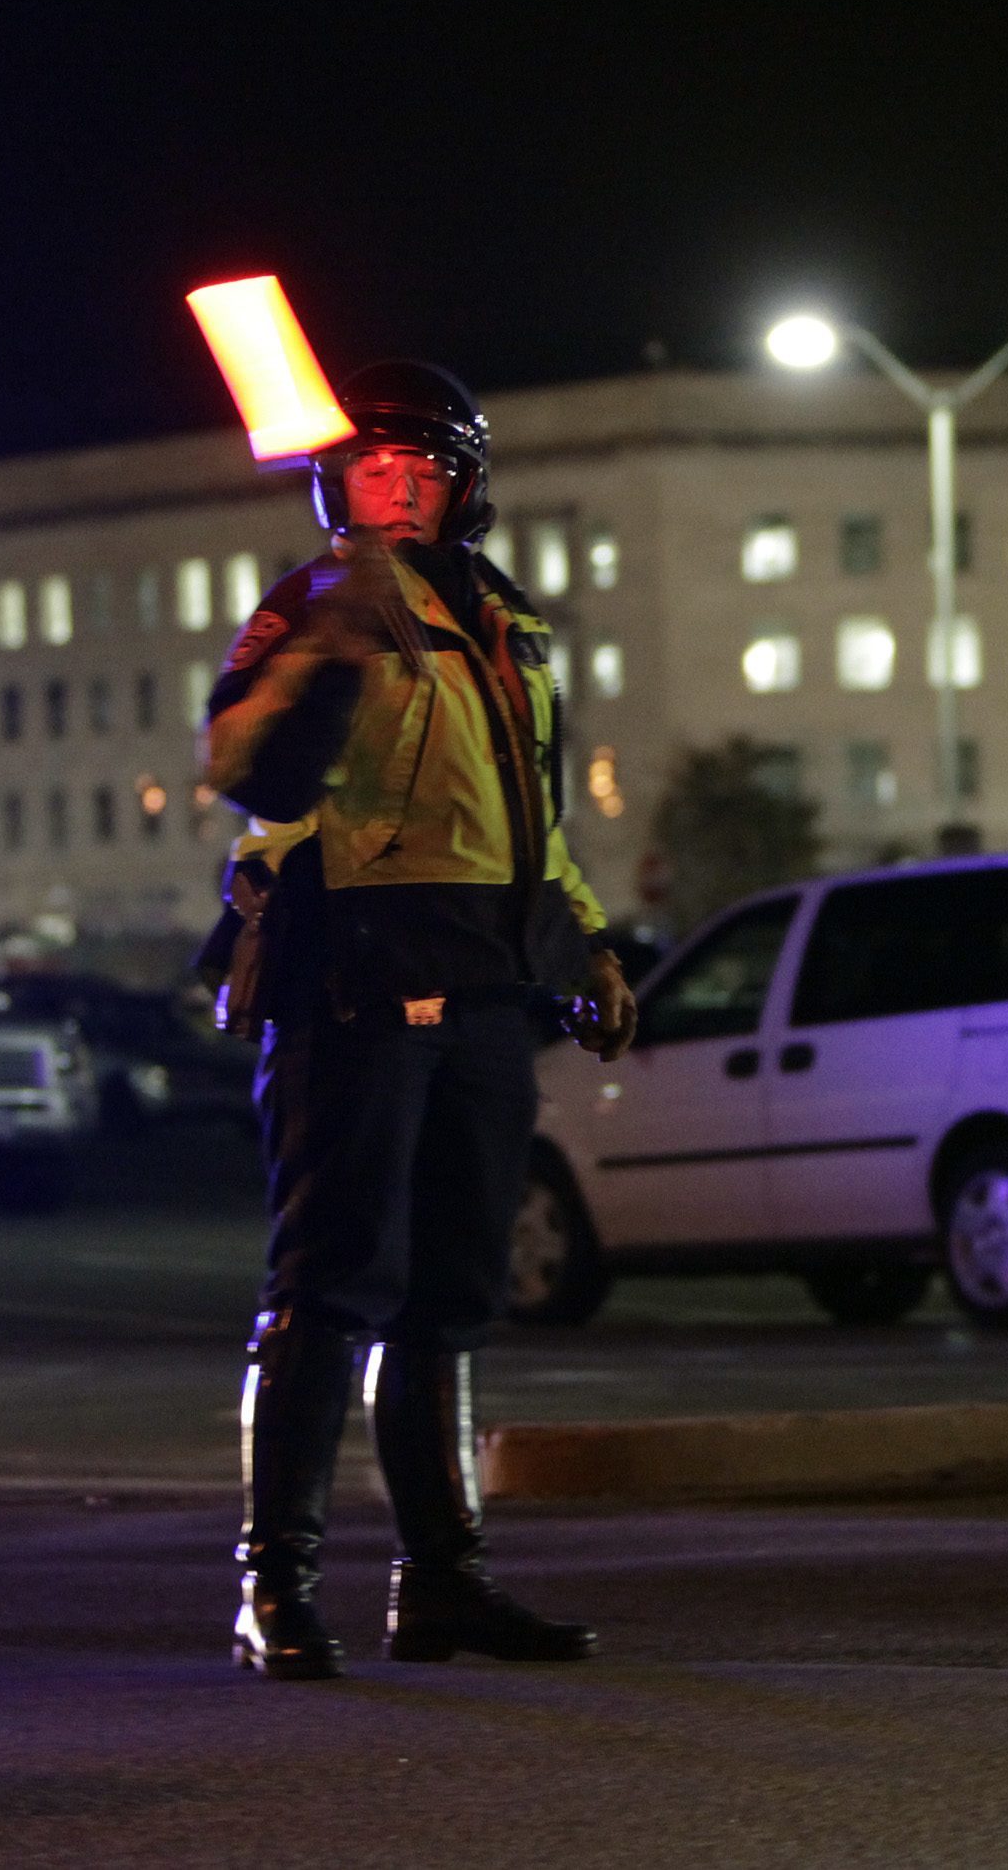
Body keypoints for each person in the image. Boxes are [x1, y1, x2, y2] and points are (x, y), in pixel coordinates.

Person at [203, 359, 638, 1681]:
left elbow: (526, 819)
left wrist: (585, 943)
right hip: (353, 977)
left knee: (452, 1295)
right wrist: (334, 646)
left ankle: (442, 1583)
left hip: (488, 985)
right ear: (334, 487)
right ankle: (272, 1589)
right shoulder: (313, 608)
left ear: (465, 491)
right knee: (328, 1290)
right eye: (370, 472)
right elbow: (245, 771)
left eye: (420, 472)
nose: (393, 494)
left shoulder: (511, 628)